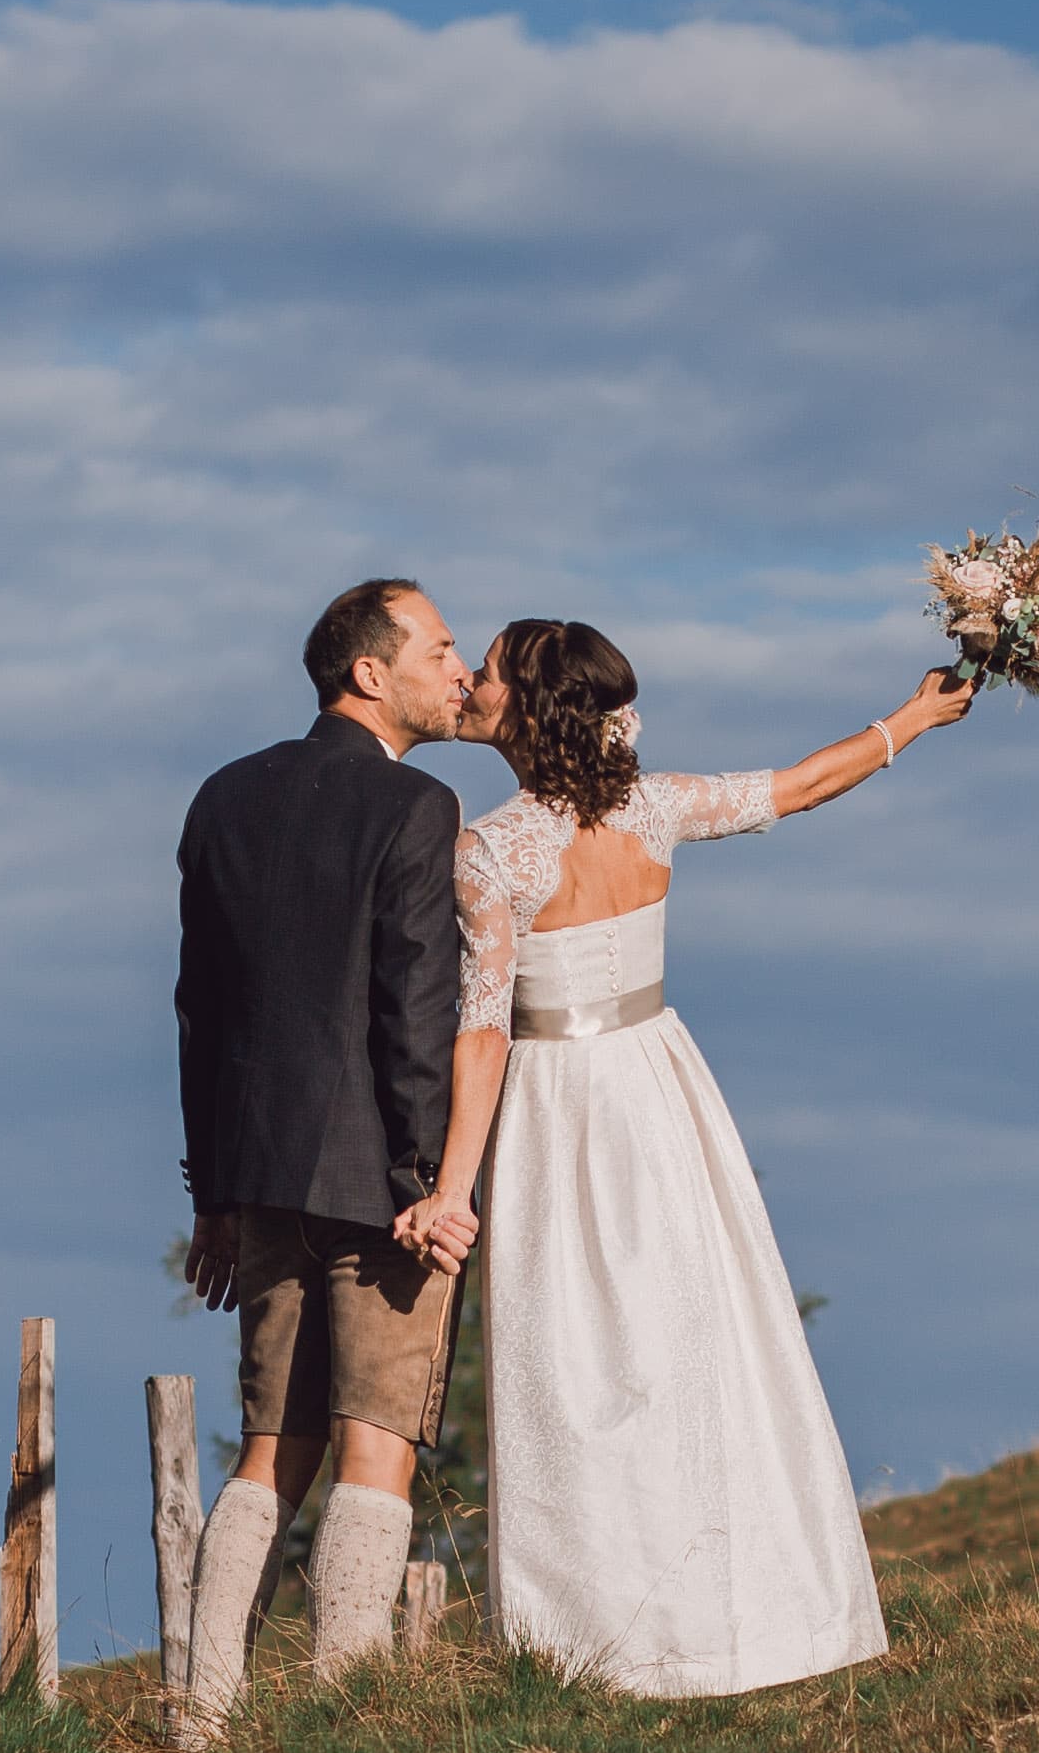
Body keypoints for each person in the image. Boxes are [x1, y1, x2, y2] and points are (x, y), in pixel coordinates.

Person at [398, 620, 972, 1695]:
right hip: (661, 1092)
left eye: (491, 671)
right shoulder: (653, 808)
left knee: (573, 1365)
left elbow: (480, 1030)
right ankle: (732, 1615)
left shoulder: (489, 851)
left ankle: (594, 1641)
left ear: (528, 707)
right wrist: (914, 716)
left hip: (559, 1110)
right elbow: (799, 786)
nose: (470, 681)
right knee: (692, 1348)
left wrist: (450, 1190)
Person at [171, 577, 476, 1741]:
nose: (457, 671)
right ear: (369, 671)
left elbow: (199, 1012)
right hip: (380, 1187)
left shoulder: (222, 799)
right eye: (440, 649)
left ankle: (202, 1716)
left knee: (268, 1449)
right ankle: (344, 1720)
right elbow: (415, 1015)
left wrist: (217, 1197)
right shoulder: (415, 807)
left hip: (256, 1175)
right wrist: (429, 1185)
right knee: (376, 1440)